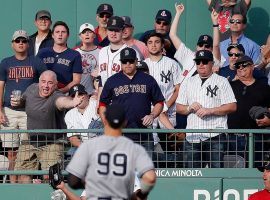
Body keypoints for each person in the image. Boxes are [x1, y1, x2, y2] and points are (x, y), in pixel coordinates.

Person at [66, 104, 157, 200]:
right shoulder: (133, 148)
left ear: (105, 120)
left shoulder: (90, 147)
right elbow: (150, 178)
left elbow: (73, 181)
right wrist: (139, 196)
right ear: (125, 122)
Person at [10, 70, 84, 183]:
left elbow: (62, 101)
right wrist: (17, 103)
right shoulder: (31, 89)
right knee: (22, 175)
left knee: (50, 177)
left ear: (55, 85)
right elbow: (23, 101)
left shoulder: (56, 96)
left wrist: (72, 103)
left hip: (52, 142)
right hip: (30, 139)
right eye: (43, 82)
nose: (45, 86)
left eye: (50, 83)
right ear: (39, 82)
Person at [176, 50, 237, 168]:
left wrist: (210, 110)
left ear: (212, 63)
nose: (201, 65)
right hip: (192, 135)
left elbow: (232, 106)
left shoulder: (221, 81)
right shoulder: (188, 81)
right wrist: (189, 107)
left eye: (204, 62)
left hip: (215, 134)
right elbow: (179, 108)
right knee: (193, 175)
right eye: (198, 62)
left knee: (216, 174)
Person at [0, 30, 46, 183]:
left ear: (28, 43)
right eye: (17, 41)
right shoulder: (6, 62)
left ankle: (25, 184)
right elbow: (0, 87)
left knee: (27, 150)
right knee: (12, 152)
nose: (21, 43)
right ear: (12, 44)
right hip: (9, 112)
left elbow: (46, 83)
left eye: (24, 41)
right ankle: (13, 184)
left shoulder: (36, 61)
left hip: (29, 111)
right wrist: (0, 110)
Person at [99, 47, 164, 153]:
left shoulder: (148, 79)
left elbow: (159, 102)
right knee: (122, 168)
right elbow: (102, 104)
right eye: (124, 61)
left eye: (131, 61)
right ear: (121, 63)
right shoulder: (112, 81)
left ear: (136, 61)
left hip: (144, 133)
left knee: (145, 168)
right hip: (120, 134)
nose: (128, 64)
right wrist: (106, 123)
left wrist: (152, 115)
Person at [170, 3, 225, 129]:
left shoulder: (213, 60)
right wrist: (178, 14)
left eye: (207, 46)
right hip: (184, 106)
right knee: (182, 142)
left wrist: (215, 23)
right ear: (197, 46)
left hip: (203, 107)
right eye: (201, 45)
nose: (204, 48)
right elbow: (172, 35)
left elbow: (216, 45)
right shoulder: (189, 55)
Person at [227, 55, 270, 167]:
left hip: (257, 137)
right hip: (232, 137)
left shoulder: (264, 87)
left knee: (256, 172)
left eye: (244, 64)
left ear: (252, 67)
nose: (240, 67)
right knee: (233, 175)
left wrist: (269, 120)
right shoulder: (228, 86)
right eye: (237, 66)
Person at [37, 21, 82, 93]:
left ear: (68, 35)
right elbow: (35, 74)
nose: (60, 34)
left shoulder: (75, 55)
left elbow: (76, 80)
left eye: (63, 32)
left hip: (64, 94)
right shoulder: (43, 53)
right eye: (57, 32)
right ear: (52, 35)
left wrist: (61, 91)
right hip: (43, 93)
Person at [64, 84, 99, 157]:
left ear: (87, 95)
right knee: (70, 153)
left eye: (80, 94)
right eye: (74, 96)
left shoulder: (96, 105)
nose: (77, 98)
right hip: (84, 145)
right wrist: (84, 147)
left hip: (101, 143)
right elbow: (72, 137)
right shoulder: (69, 114)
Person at [73, 23, 100, 95]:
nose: (87, 34)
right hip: (78, 92)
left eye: (90, 32)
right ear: (80, 36)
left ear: (94, 35)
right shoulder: (74, 52)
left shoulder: (102, 51)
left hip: (96, 93)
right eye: (84, 32)